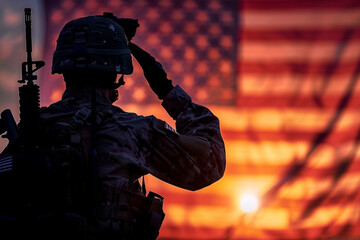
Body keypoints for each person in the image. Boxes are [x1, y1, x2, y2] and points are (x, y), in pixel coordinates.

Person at [1, 13, 226, 240]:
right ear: (116, 73)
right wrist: (168, 92)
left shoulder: (31, 129)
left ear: (63, 69)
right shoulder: (132, 130)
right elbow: (210, 165)